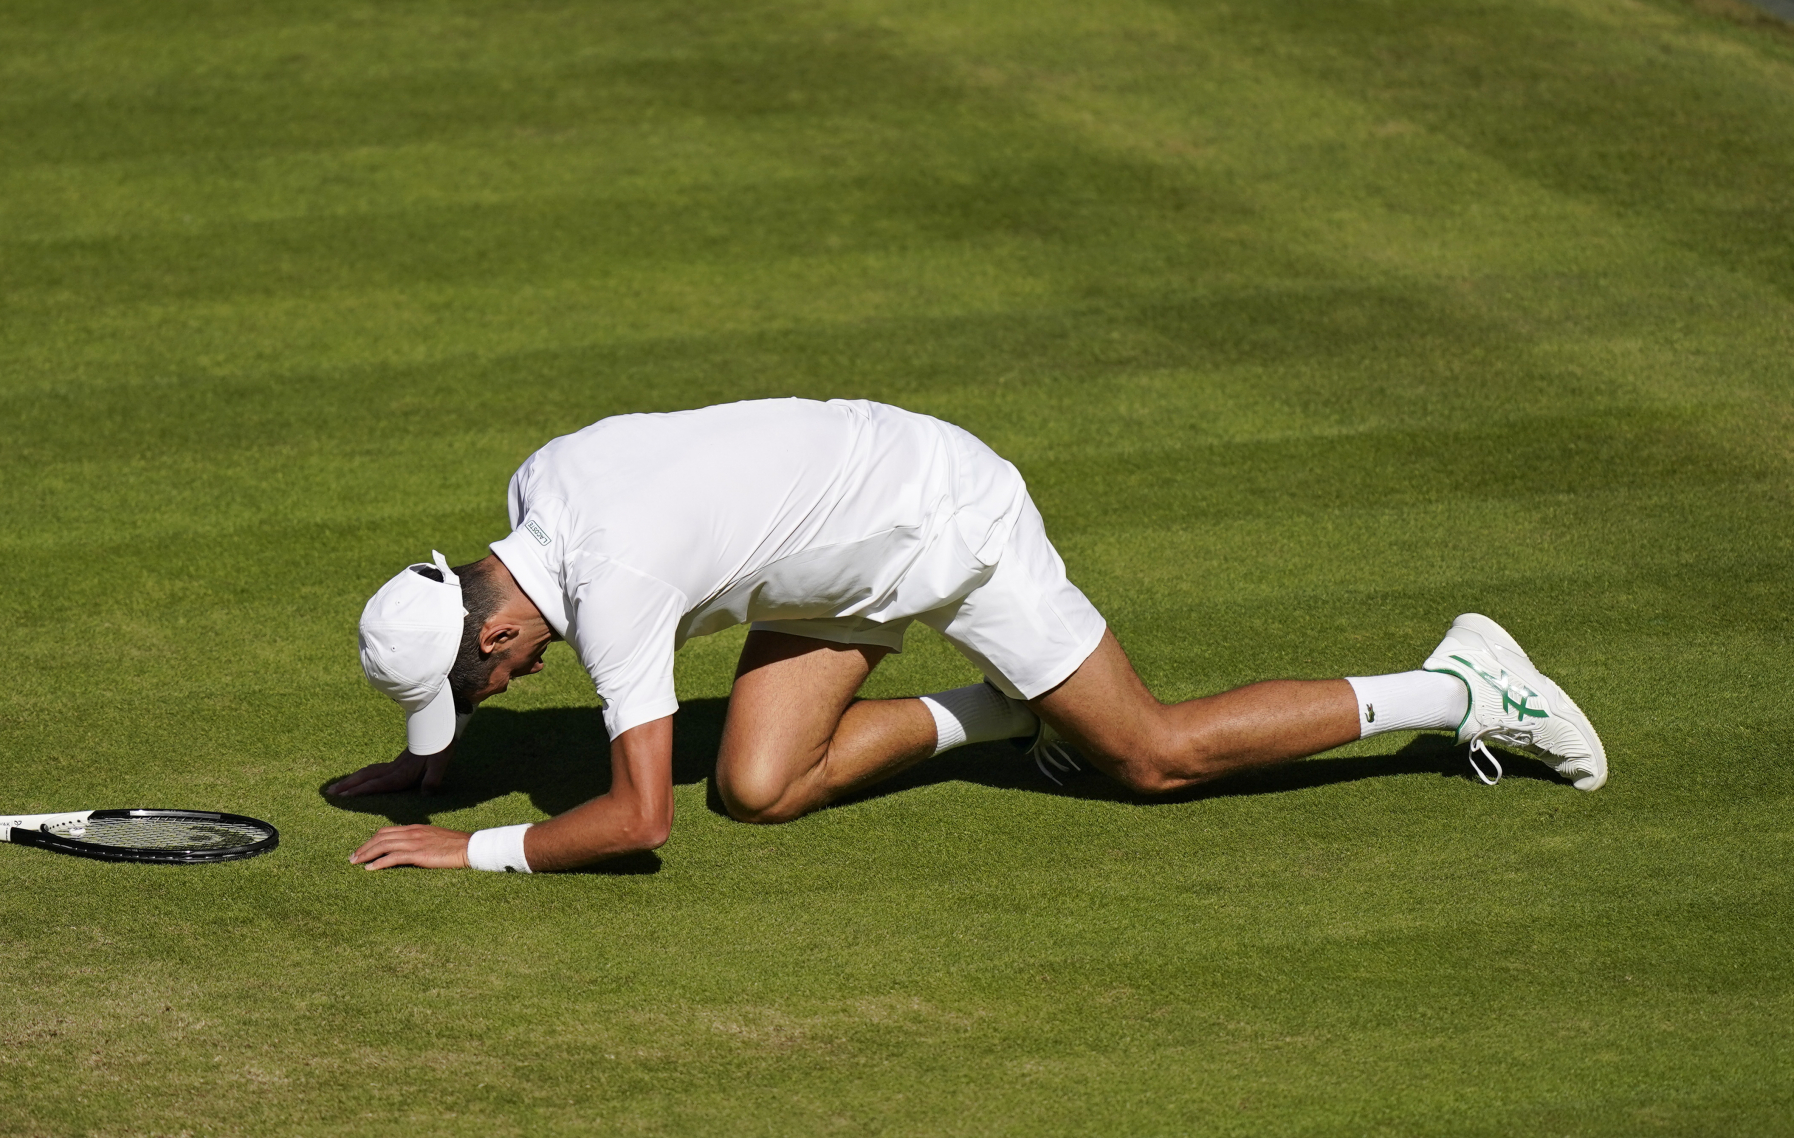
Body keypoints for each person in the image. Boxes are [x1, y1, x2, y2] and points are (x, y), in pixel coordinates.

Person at [328, 398, 1605, 873]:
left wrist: (474, 846)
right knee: (759, 790)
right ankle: (1005, 712)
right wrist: (433, 756)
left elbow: (637, 820)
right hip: (828, 552)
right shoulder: (536, 493)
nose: (512, 685)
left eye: (484, 684)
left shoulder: (611, 586)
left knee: (1148, 755)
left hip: (939, 516)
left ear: (496, 630)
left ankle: (1459, 686)